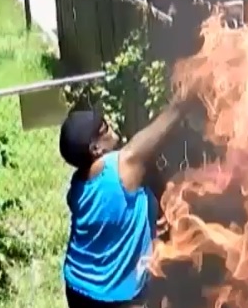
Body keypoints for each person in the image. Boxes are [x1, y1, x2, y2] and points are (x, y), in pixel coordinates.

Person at [59, 92, 198, 308]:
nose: (110, 125)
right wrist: (196, 84)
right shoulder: (124, 166)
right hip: (115, 297)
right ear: (95, 148)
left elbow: (121, 214)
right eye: (104, 127)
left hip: (77, 286)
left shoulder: (78, 184)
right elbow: (174, 113)